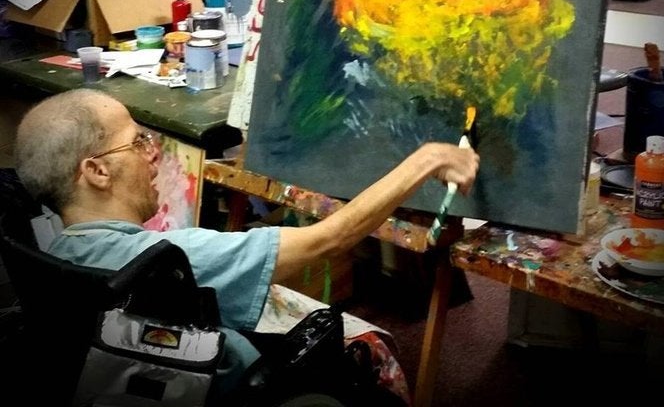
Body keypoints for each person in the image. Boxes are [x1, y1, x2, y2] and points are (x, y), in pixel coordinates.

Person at [13, 88, 479, 403]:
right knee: (369, 344)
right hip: (241, 389)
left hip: (141, 377)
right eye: (137, 142)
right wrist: (429, 157)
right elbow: (329, 238)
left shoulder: (51, 251)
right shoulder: (164, 262)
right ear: (96, 171)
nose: (152, 152)